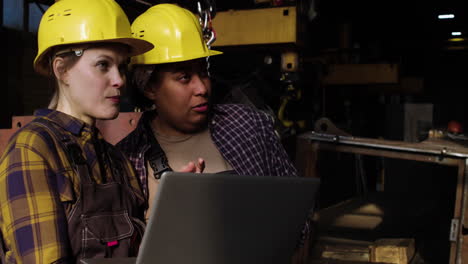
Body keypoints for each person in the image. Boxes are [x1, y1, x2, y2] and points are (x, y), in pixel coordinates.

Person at [116, 5, 312, 258]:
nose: (202, 88)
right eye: (184, 77)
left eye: (203, 73)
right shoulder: (127, 159)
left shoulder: (247, 126)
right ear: (149, 87)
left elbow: (299, 212)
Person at [0, 0, 153, 263]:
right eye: (103, 65)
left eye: (122, 66)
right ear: (62, 70)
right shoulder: (32, 149)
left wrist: (170, 211)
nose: (119, 80)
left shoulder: (116, 160)